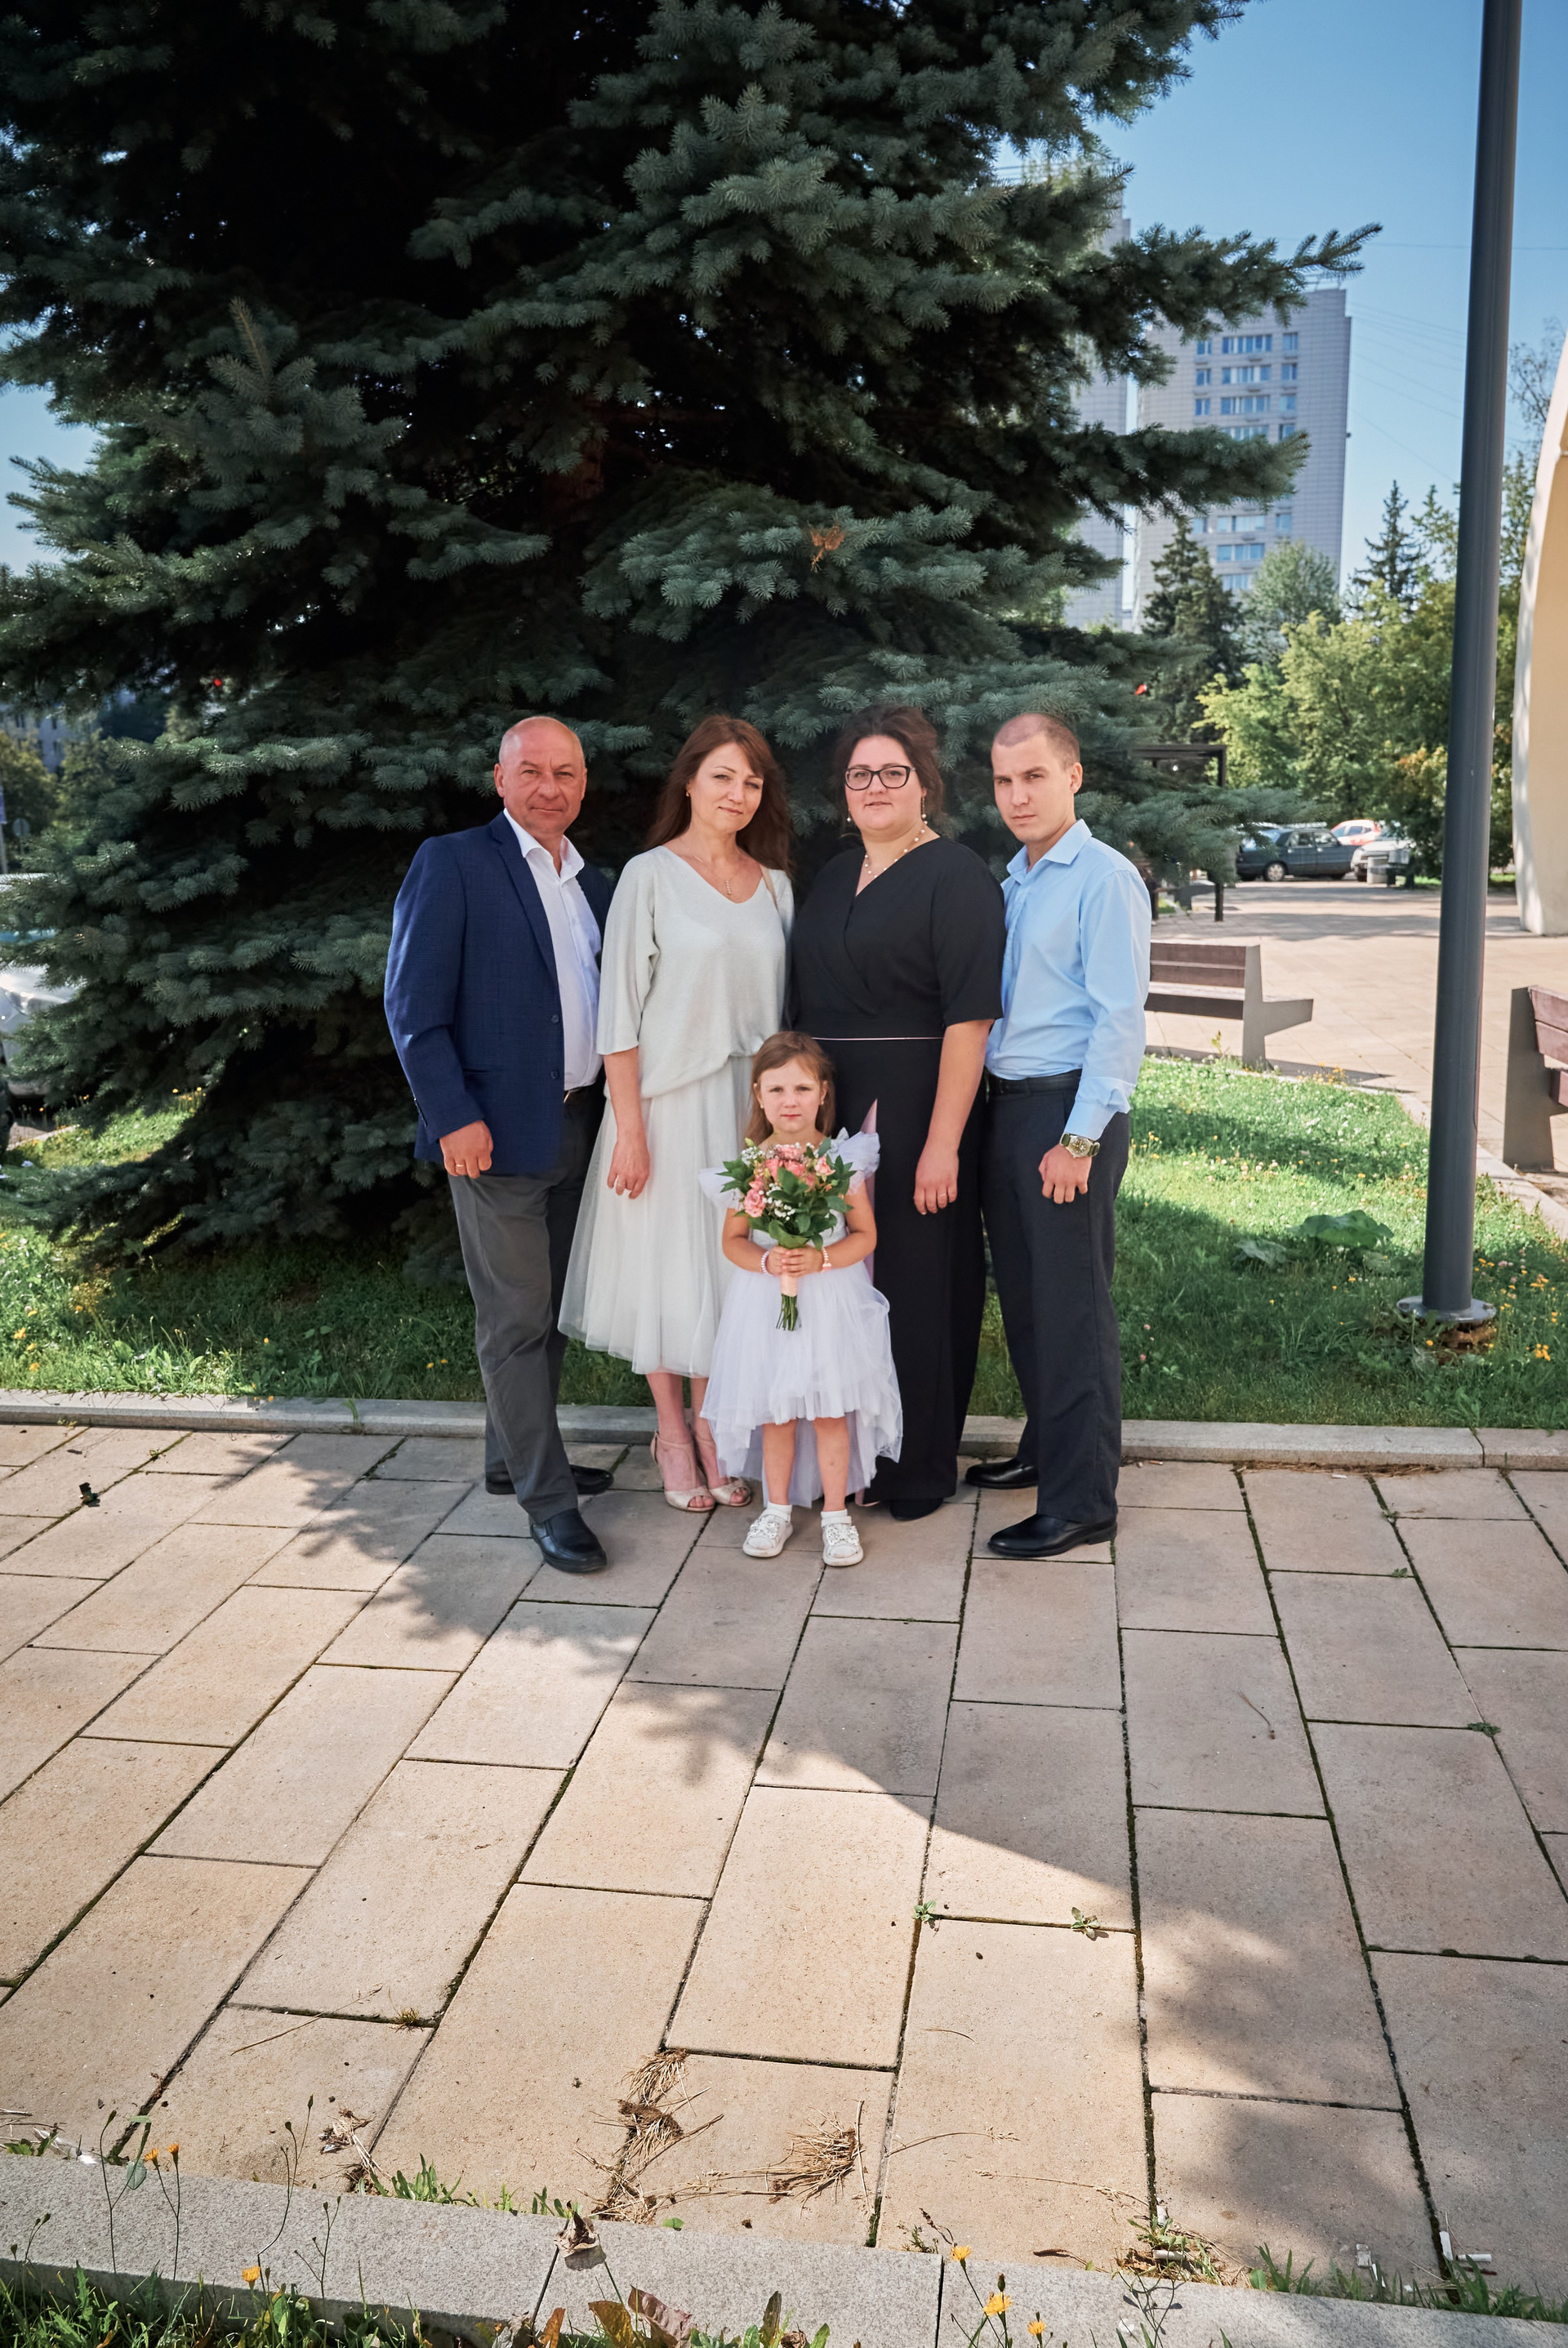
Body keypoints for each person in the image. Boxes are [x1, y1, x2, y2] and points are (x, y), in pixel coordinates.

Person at [385, 715, 616, 1575]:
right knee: (515, 1319)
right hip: (492, 1133)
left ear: (583, 782)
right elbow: (412, 1006)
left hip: (580, 1125)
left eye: (566, 772)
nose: (550, 787)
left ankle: (509, 1458)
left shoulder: (595, 884)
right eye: (532, 771)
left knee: (548, 1312)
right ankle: (548, 1502)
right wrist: (452, 1115)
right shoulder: (454, 863)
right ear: (499, 778)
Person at [561, 715, 793, 1508]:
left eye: (752, 781)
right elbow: (618, 1016)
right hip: (664, 1105)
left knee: (726, 1272)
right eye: (722, 776)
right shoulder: (650, 876)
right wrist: (629, 1130)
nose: (738, 793)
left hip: (747, 1112)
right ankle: (671, 1432)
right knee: (667, 1271)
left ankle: (714, 1426)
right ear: (690, 782)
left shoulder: (776, 887)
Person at [789, 704, 1004, 1520]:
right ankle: (848, 1458)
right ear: (844, 792)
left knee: (915, 1283)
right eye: (859, 774)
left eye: (892, 772)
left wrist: (943, 1142)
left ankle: (916, 1466)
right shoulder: (833, 875)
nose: (874, 786)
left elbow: (970, 1020)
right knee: (842, 1284)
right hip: (832, 1106)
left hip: (918, 1105)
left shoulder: (956, 875)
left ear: (924, 784)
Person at [969, 713, 1151, 1557]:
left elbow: (1119, 1019)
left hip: (1067, 1113)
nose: (1017, 795)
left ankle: (1082, 1501)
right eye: (1004, 781)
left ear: (1073, 777)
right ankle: (1045, 1448)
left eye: (1034, 776)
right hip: (1009, 1108)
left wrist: (1078, 1141)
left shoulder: (1102, 878)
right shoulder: (1017, 881)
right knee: (1028, 1299)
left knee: (1073, 1308)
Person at [699, 1032, 900, 1566]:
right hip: (766, 1304)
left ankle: (836, 1515)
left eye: (803, 1088)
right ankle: (777, 1508)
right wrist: (769, 1261)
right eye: (777, 1089)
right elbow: (733, 1241)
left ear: (823, 1093)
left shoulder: (840, 1159)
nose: (790, 1100)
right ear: (759, 1095)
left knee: (831, 1410)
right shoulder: (750, 1165)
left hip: (830, 1301)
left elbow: (865, 1236)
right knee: (777, 1411)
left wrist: (822, 1258)